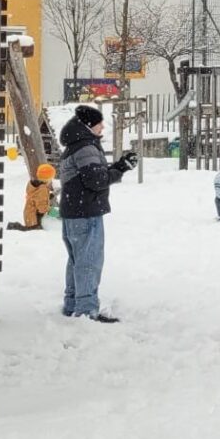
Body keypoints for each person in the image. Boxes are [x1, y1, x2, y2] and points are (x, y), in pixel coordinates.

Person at [57, 104, 136, 322]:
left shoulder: (76, 145)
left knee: (76, 259)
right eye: (99, 123)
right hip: (85, 211)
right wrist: (120, 169)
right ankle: (86, 309)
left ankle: (73, 303)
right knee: (89, 260)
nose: (102, 126)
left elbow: (93, 174)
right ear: (88, 125)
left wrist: (119, 166)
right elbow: (96, 180)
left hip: (74, 210)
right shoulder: (85, 147)